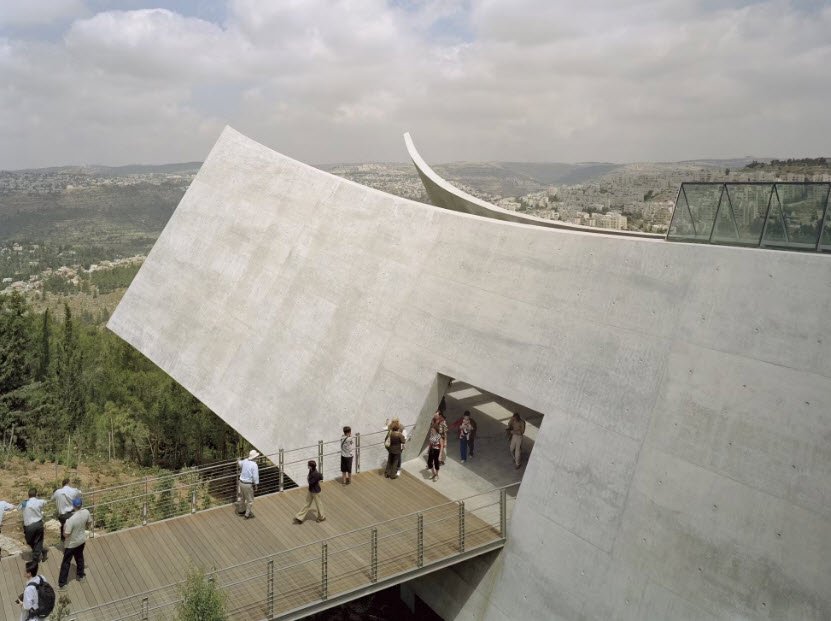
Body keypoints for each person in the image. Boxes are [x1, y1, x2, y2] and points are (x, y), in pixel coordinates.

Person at [58, 496, 90, 589]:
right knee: (79, 557)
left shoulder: (70, 520)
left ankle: (62, 583)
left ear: (73, 506)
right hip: (81, 540)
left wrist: (64, 531)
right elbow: (89, 523)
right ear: (81, 504)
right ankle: (81, 576)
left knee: (66, 562)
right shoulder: (86, 512)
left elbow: (66, 535)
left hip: (71, 544)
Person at [19, 488, 47, 562]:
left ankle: (35, 558)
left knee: (34, 541)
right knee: (35, 541)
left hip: (30, 526)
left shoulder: (24, 503)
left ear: (28, 495)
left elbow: (18, 508)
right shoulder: (39, 501)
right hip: (38, 524)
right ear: (36, 494)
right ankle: (42, 551)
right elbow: (45, 502)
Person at [52, 478, 80, 543]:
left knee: (63, 527)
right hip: (70, 514)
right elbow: (80, 493)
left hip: (61, 515)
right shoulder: (73, 490)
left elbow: (52, 498)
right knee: (72, 530)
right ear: (68, 483)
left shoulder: (57, 492)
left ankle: (63, 541)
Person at [238, 449, 260, 519]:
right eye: (257, 457)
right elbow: (255, 476)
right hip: (248, 484)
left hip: (241, 483)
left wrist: (238, 459)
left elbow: (239, 463)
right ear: (254, 457)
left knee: (242, 498)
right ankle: (247, 514)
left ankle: (241, 511)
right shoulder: (254, 465)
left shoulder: (245, 461)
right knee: (250, 500)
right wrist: (256, 485)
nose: (258, 458)